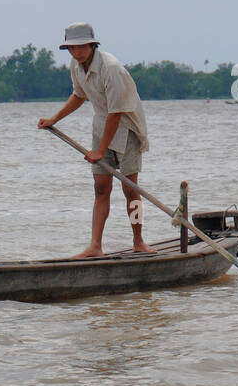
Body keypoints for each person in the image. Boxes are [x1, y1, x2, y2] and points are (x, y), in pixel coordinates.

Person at [37, 22, 156, 258]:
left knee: (130, 189)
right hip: (101, 125)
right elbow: (79, 95)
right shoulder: (76, 66)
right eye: (73, 48)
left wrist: (100, 150)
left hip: (127, 128)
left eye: (82, 46)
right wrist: (54, 119)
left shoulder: (111, 68)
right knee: (101, 188)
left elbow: (117, 113)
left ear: (92, 45)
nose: (77, 51)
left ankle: (139, 241)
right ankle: (95, 246)